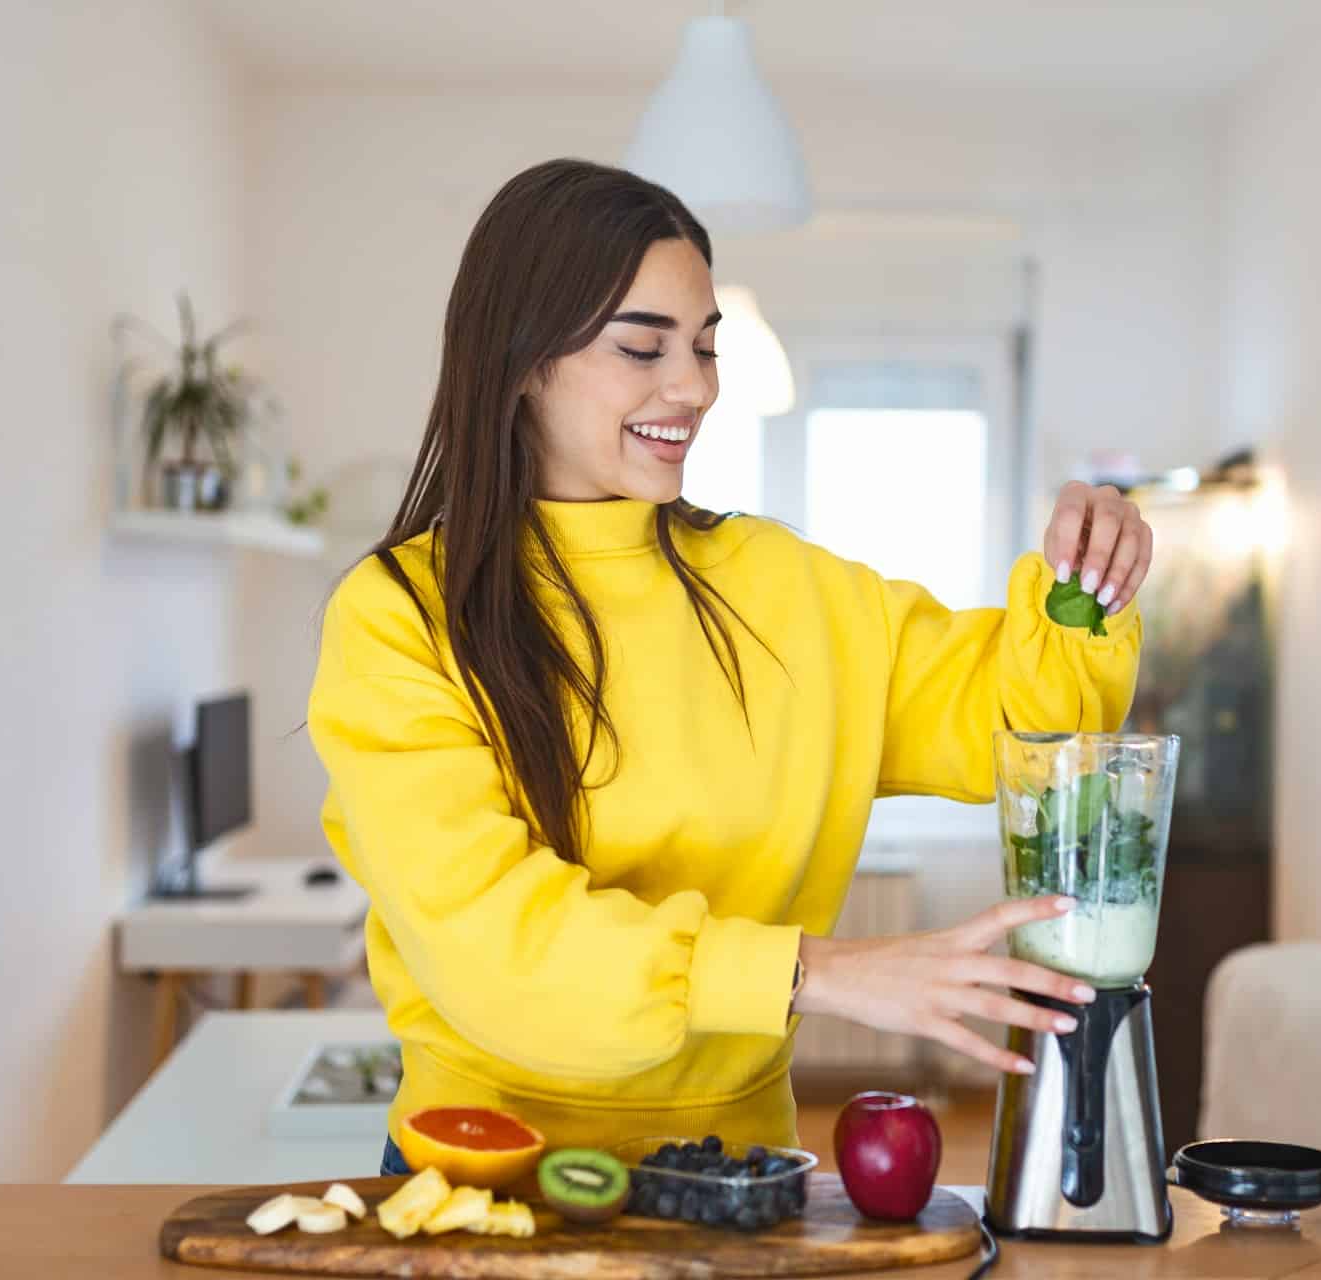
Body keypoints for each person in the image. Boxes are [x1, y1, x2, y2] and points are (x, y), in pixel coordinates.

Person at [305, 159, 1152, 1173]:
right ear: (522, 358)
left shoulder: (789, 589)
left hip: (737, 1175)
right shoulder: (402, 615)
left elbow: (1025, 723)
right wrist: (811, 972)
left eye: (706, 346)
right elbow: (491, 944)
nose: (695, 386)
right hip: (483, 1174)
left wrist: (1086, 579)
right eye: (643, 346)